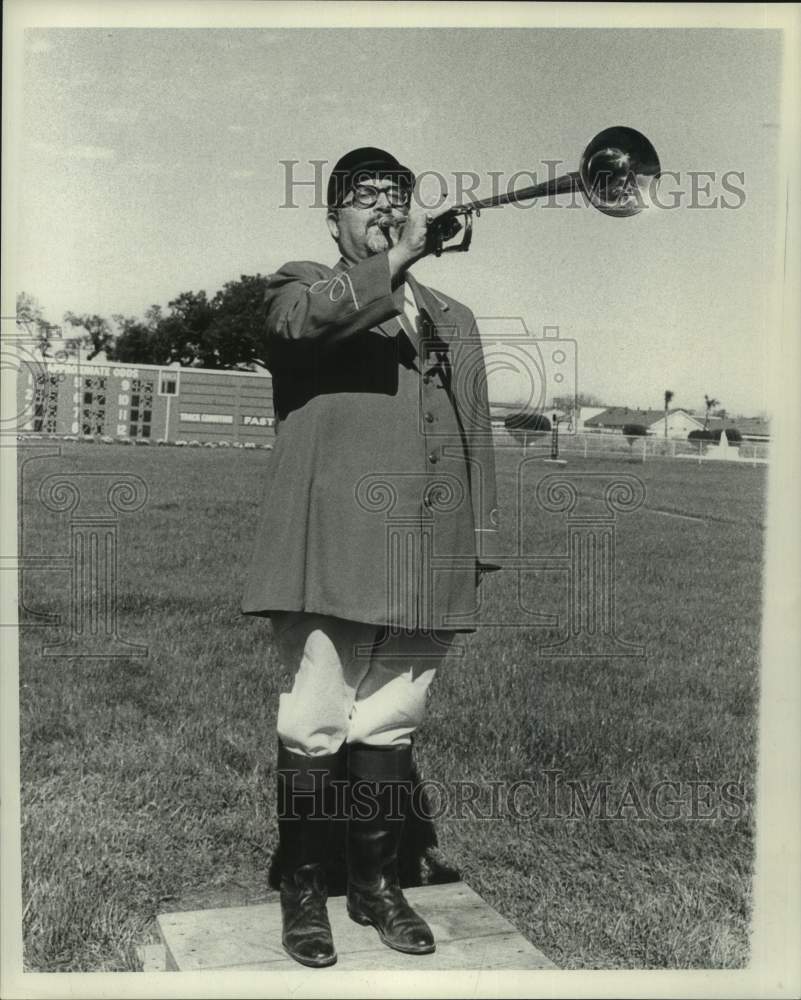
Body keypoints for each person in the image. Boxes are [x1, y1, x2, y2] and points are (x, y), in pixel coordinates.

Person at [242, 147, 500, 968]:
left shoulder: (453, 316)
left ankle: (376, 886)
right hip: (333, 548)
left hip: (428, 551)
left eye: (398, 196)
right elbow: (303, 323)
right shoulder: (301, 284)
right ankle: (304, 887)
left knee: (391, 720)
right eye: (364, 199)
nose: (383, 208)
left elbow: (473, 436)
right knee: (315, 720)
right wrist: (402, 255)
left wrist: (478, 542)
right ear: (333, 219)